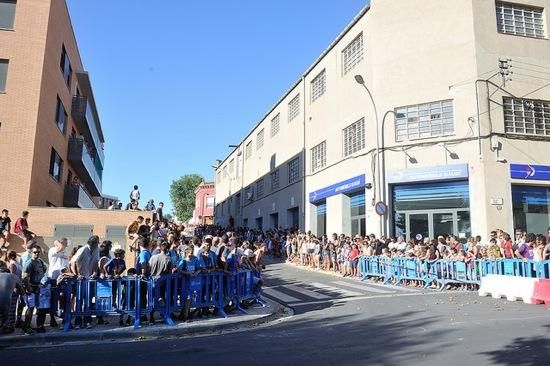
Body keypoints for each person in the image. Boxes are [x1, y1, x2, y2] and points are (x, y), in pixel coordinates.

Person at [70, 235, 100, 329]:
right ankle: (78, 322)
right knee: (79, 301)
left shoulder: (96, 249)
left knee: (89, 300)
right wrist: (77, 274)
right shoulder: (83, 249)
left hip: (89, 278)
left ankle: (88, 321)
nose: (97, 245)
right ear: (93, 243)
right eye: (96, 243)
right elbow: (73, 262)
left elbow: (96, 261)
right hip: (81, 278)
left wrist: (95, 272)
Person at [22, 244, 47, 334]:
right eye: (35, 252)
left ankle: (39, 326)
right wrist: (28, 289)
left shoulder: (39, 261)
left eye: (38, 252)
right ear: (31, 252)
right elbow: (25, 277)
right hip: (31, 288)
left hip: (39, 288)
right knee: (30, 308)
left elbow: (43, 270)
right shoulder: (29, 263)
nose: (36, 254)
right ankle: (26, 327)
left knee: (40, 308)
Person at [47, 238, 68, 328]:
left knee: (63, 298)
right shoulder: (52, 250)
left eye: (66, 244)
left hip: (63, 278)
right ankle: (52, 319)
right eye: (64, 243)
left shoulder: (64, 253)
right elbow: (59, 248)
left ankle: (64, 317)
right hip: (53, 278)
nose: (65, 245)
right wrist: (59, 243)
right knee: (53, 299)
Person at [0, 262, 24, 334]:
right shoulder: (13, 276)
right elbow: (22, 292)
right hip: (4, 303)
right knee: (3, 319)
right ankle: (7, 327)